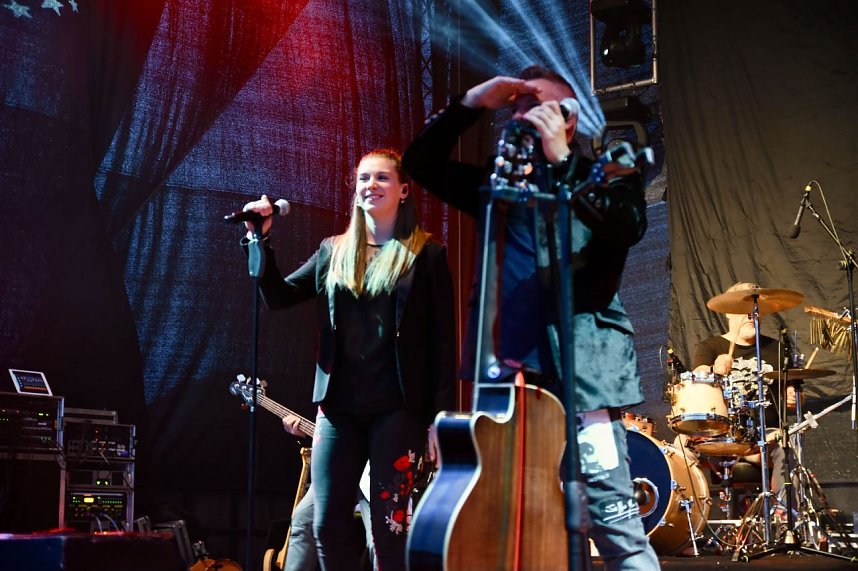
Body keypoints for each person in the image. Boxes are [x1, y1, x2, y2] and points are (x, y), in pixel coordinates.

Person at [402, 65, 659, 570]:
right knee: (517, 531)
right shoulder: (502, 192)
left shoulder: (610, 170)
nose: (523, 115)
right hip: (514, 391)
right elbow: (421, 162)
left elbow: (626, 226)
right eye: (517, 108)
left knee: (615, 529)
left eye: (538, 105)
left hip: (587, 384)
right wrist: (474, 100)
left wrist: (562, 160)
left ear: (568, 117)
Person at [240, 149, 456, 571]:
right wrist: (258, 238)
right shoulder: (333, 251)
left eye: (382, 178)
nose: (370, 185)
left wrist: (440, 417)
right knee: (326, 525)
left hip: (399, 409)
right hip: (338, 408)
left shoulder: (426, 256)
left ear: (404, 190)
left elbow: (444, 343)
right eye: (363, 179)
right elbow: (278, 296)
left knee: (389, 530)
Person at [690, 281, 799, 505]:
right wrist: (713, 370)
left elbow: (796, 393)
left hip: (764, 439)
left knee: (790, 442)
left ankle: (785, 520)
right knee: (680, 445)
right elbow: (696, 383)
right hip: (718, 435)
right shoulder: (710, 348)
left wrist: (795, 398)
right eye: (744, 310)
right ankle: (684, 519)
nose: (751, 315)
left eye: (755, 310)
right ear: (729, 312)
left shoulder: (777, 349)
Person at [279, 415, 374, 571]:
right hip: (339, 464)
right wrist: (302, 435)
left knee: (379, 539)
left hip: (375, 467)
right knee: (303, 520)